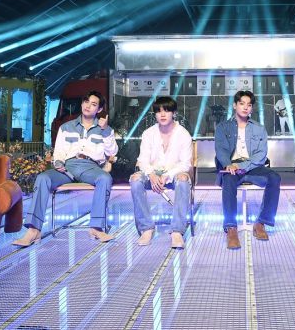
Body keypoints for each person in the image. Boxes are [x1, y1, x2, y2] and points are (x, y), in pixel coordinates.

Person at [14, 91, 118, 246]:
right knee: (43, 178)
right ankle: (34, 230)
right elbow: (59, 153)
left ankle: (96, 228)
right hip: (67, 167)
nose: (88, 106)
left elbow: (112, 152)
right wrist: (58, 163)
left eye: (93, 104)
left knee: (105, 178)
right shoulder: (66, 127)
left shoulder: (105, 129)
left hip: (90, 168)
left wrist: (106, 130)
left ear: (100, 109)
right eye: (86, 102)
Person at [215, 90, 280, 249]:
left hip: (252, 167)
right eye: (242, 103)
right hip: (231, 167)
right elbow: (221, 150)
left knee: (274, 178)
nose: (245, 107)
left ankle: (261, 223)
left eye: (249, 105)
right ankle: (231, 228)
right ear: (234, 105)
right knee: (228, 179)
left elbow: (261, 155)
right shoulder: (223, 127)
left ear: (252, 108)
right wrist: (229, 165)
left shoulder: (259, 128)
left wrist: (242, 166)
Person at [130, 96, 193, 249]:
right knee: (135, 179)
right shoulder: (148, 133)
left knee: (183, 180)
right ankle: (146, 228)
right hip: (152, 173)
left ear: (174, 113)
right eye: (159, 111)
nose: (162, 114)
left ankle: (177, 231)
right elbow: (143, 160)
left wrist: (167, 175)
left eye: (166, 111)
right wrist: (151, 175)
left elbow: (185, 163)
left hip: (174, 173)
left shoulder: (183, 134)